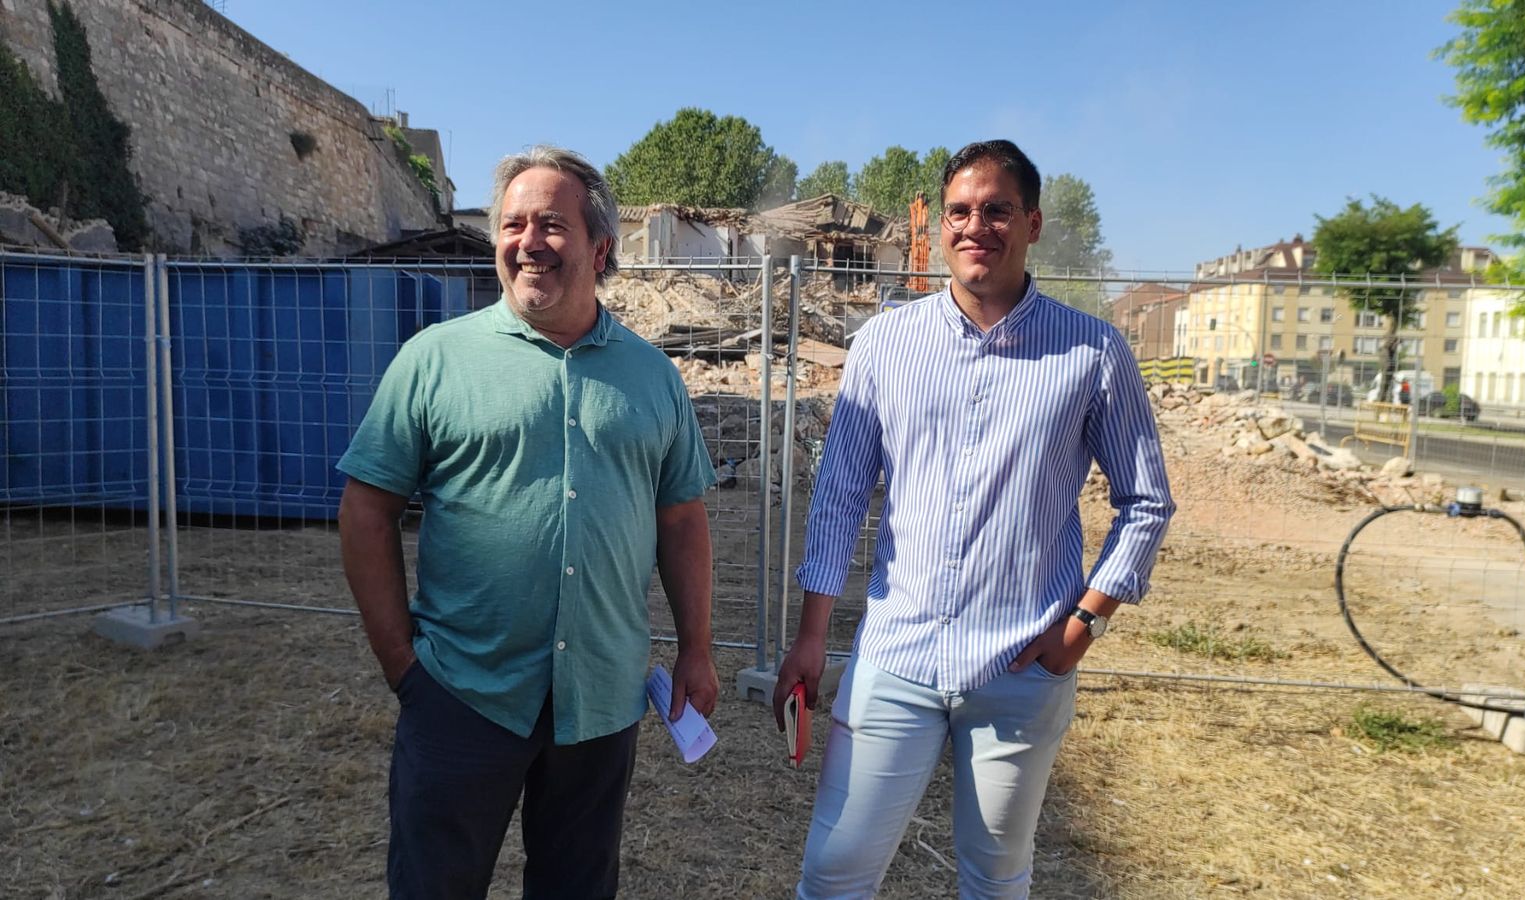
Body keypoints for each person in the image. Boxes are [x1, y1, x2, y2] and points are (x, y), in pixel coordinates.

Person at [774, 139, 1175, 898]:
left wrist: (1081, 627)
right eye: (959, 210)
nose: (974, 226)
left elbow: (1147, 501)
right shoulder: (885, 346)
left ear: (1032, 223)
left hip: (1021, 666)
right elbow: (839, 494)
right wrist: (811, 634)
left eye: (996, 210)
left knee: (995, 878)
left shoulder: (1093, 351)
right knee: (834, 872)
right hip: (896, 658)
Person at [337, 145, 718, 899]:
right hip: (461, 694)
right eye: (512, 224)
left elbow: (681, 521)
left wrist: (698, 650)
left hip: (601, 702)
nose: (526, 242)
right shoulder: (434, 360)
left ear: (600, 247)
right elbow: (367, 510)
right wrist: (401, 664)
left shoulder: (652, 376)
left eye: (551, 223)